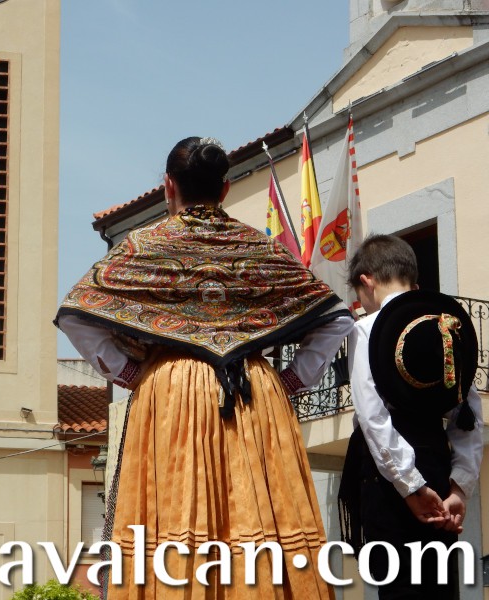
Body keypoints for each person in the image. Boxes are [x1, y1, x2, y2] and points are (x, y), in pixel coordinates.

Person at [56, 136, 354, 599]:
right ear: (225, 188)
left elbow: (76, 315)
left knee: (173, 520)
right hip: (255, 391)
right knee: (259, 521)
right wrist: (290, 380)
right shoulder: (260, 248)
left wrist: (131, 374)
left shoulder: (143, 247)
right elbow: (336, 318)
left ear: (169, 186)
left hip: (169, 390)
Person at [338, 234, 482, 598]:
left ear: (367, 281)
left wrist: (410, 486)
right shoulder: (447, 327)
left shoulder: (367, 328)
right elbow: (468, 413)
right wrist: (459, 488)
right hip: (437, 462)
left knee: (398, 585)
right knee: (439, 585)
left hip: (387, 478)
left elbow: (372, 416)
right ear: (414, 284)